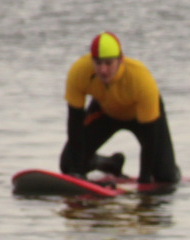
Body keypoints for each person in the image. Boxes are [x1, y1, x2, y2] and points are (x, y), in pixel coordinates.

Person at [60, 32, 181, 186]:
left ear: (120, 59)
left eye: (108, 63)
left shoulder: (140, 77)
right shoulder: (79, 71)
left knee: (165, 177)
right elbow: (74, 123)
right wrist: (77, 174)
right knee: (68, 164)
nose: (103, 70)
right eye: (98, 63)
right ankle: (109, 164)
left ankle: (172, 168)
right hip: (106, 113)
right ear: (92, 60)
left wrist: (144, 180)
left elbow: (150, 137)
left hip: (142, 118)